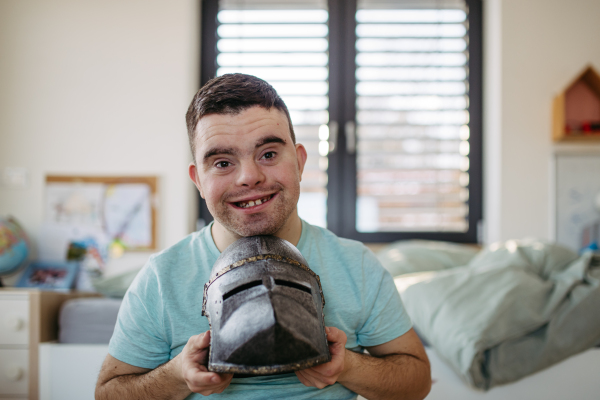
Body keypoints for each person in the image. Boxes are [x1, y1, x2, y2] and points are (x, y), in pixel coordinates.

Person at [95, 73, 431, 400]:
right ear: (198, 180)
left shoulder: (356, 264)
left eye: (268, 154)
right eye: (223, 162)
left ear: (299, 162)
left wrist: (348, 367)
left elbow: (416, 383)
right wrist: (178, 374)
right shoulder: (160, 278)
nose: (249, 177)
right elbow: (108, 393)